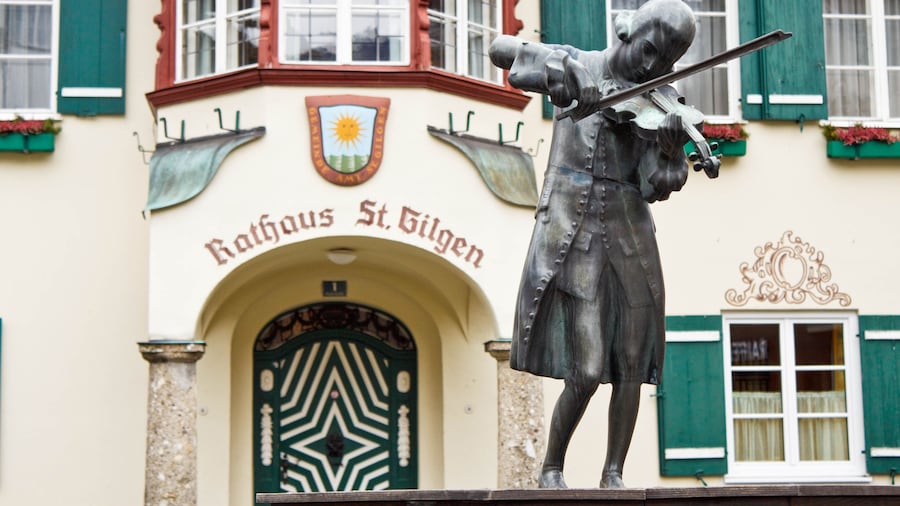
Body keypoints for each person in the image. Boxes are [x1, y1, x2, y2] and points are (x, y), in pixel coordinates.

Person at [489, 0, 699, 489]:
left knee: (631, 358)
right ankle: (552, 467)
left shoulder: (662, 101)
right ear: (626, 30)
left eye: (663, 63)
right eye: (647, 52)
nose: (651, 68)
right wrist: (562, 70)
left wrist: (669, 150)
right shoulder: (576, 61)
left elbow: (654, 185)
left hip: (630, 230)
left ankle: (614, 473)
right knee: (584, 370)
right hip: (574, 229)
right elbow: (502, 49)